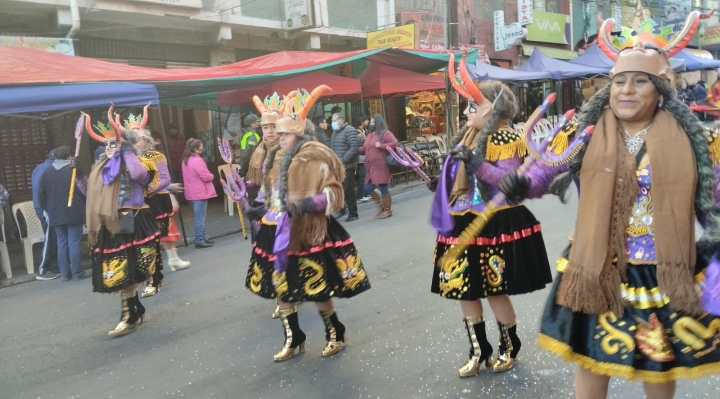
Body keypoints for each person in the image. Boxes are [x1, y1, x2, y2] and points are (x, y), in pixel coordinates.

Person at [499, 12, 720, 398]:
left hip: (661, 271)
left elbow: (710, 205)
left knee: (658, 364)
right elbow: (543, 174)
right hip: (596, 265)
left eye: (639, 81)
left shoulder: (692, 140)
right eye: (618, 81)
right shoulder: (583, 133)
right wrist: (519, 184)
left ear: (661, 88)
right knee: (590, 359)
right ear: (608, 88)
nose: (626, 90)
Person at [428, 55, 552, 377]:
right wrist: (440, 182)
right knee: (462, 288)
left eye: (473, 106)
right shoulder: (467, 138)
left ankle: (509, 347)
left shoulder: (507, 138)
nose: (467, 112)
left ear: (493, 110)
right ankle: (477, 349)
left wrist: (475, 164)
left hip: (496, 221)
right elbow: (457, 180)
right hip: (460, 221)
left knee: (496, 290)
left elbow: (508, 185)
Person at [245, 86, 370, 362]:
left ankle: (335, 330)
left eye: (285, 133)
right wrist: (262, 210)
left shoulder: (317, 154)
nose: (279, 137)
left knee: (317, 287)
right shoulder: (275, 157)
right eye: (278, 132)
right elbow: (276, 194)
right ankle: (294, 338)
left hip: (310, 231)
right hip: (278, 231)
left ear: (299, 132)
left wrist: (304, 205)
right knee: (281, 286)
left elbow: (333, 195)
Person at [83, 106, 159, 337]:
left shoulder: (134, 160)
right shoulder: (102, 167)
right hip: (110, 223)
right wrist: (78, 178)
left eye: (113, 143)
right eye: (106, 144)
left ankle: (129, 315)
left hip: (132, 220)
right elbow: (90, 195)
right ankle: (134, 310)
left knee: (131, 271)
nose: (108, 148)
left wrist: (126, 151)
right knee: (120, 272)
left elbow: (140, 176)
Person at [130, 117, 189, 298]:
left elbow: (165, 179)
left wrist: (149, 189)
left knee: (154, 241)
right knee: (144, 243)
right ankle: (154, 275)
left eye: (137, 138)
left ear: (146, 140)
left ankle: (155, 277)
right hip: (136, 205)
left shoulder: (156, 156)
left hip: (157, 201)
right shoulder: (129, 158)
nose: (134, 141)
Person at [38, 145, 87, 282]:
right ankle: (77, 272)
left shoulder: (47, 172)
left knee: (61, 242)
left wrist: (48, 208)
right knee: (74, 242)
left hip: (55, 212)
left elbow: (41, 194)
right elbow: (86, 190)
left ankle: (65, 273)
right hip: (74, 211)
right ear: (69, 156)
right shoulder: (74, 170)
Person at [358, 114, 397, 219]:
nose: (371, 123)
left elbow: (394, 143)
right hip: (370, 167)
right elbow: (366, 149)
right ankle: (381, 206)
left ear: (378, 122)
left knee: (383, 187)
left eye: (372, 121)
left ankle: (387, 210)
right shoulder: (370, 134)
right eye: (370, 121)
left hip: (381, 166)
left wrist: (382, 146)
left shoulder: (385, 133)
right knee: (367, 187)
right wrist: (357, 149)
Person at [182, 138, 217, 248]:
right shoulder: (197, 160)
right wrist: (212, 175)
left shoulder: (185, 160)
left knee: (199, 217)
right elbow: (206, 177)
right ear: (196, 149)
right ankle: (199, 240)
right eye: (201, 147)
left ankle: (203, 238)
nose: (202, 149)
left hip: (190, 193)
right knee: (200, 218)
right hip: (199, 193)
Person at [31, 149, 59, 280]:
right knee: (49, 239)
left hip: (39, 206)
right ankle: (43, 270)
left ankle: (54, 267)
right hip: (45, 208)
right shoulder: (51, 169)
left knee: (52, 237)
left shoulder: (39, 168)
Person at [329, 112, 359, 222]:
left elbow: (354, 148)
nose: (332, 123)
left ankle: (353, 213)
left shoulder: (350, 130)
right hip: (337, 166)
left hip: (348, 166)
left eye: (333, 120)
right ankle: (342, 209)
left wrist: (343, 160)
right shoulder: (335, 132)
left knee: (348, 190)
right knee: (339, 189)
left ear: (340, 121)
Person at [354, 114, 370, 202]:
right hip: (360, 157)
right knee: (362, 176)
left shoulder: (365, 130)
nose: (368, 121)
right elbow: (360, 143)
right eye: (366, 120)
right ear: (362, 122)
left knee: (366, 175)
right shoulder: (357, 132)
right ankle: (360, 195)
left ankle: (366, 193)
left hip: (366, 156)